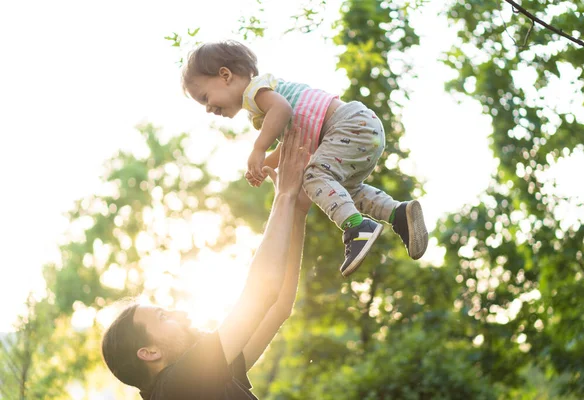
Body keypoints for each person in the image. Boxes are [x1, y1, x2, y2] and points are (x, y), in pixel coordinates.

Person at [180, 40, 428, 277]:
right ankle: (398, 213)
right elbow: (291, 142)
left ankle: (358, 228)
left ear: (225, 75)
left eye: (204, 98)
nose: (208, 108)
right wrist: (265, 164)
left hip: (349, 125)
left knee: (313, 177)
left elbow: (283, 110)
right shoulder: (260, 104)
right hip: (360, 129)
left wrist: (258, 149)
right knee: (342, 191)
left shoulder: (256, 91)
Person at [102, 126, 312, 399]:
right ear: (150, 353)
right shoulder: (176, 388)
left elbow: (278, 306)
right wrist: (284, 196)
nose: (181, 314)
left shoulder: (203, 379)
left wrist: (296, 211)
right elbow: (263, 294)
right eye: (164, 317)